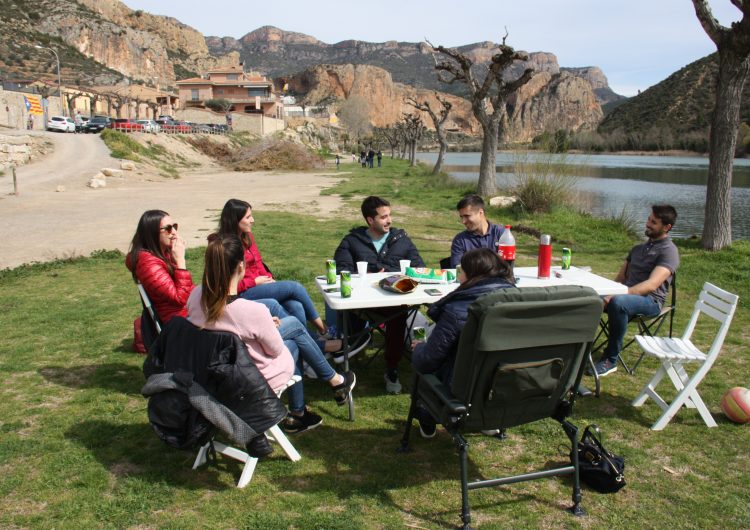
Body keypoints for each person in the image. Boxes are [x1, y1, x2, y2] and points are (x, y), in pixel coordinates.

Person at [187, 235, 356, 435]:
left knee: (292, 325)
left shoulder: (196, 296)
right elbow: (275, 349)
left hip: (213, 375)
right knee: (294, 339)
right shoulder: (249, 310)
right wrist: (266, 325)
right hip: (250, 378)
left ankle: (319, 395)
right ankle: (316, 396)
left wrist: (265, 325)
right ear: (241, 267)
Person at [410, 248, 514, 436]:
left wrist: (419, 349)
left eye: (461, 272)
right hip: (504, 385)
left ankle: (427, 417)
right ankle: (488, 420)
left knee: (425, 360)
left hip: (460, 390)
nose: (459, 277)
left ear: (471, 275)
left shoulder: (457, 310)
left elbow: (426, 361)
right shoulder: (516, 301)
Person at [217, 199, 339, 352]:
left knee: (296, 305)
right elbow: (227, 284)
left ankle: (307, 353)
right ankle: (322, 334)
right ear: (235, 220)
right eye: (248, 217)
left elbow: (259, 263)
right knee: (296, 288)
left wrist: (269, 279)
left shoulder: (247, 236)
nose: (252, 220)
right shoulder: (224, 245)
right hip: (242, 292)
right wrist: (255, 281)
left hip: (260, 284)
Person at [332, 195, 425, 393]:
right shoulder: (352, 241)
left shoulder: (402, 240)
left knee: (398, 315)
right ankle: (349, 348)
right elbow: (342, 270)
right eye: (383, 217)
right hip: (361, 302)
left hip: (394, 300)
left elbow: (420, 267)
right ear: (370, 220)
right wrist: (368, 276)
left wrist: (401, 275)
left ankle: (392, 368)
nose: (389, 220)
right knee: (346, 310)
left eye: (389, 215)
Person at [592, 204, 680, 377]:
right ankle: (579, 348)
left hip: (650, 301)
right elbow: (619, 279)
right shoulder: (637, 249)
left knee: (618, 303)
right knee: (587, 296)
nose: (648, 224)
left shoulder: (669, 252)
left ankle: (610, 360)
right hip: (626, 295)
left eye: (653, 222)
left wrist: (616, 295)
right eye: (649, 219)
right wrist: (603, 292)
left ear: (667, 227)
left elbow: (651, 285)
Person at [126, 209, 194, 325]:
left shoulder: (163, 253)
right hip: (179, 321)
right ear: (152, 233)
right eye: (168, 228)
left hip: (188, 311)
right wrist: (180, 261)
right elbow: (179, 298)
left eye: (174, 226)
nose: (174, 232)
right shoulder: (148, 265)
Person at [450, 194, 505, 268]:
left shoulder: (501, 233)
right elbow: (457, 268)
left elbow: (507, 266)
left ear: (481, 213)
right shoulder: (460, 240)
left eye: (467, 216)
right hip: (472, 280)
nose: (463, 221)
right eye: (462, 217)